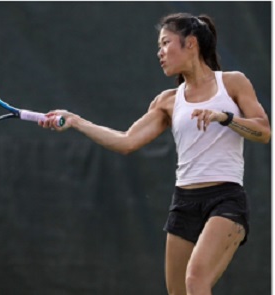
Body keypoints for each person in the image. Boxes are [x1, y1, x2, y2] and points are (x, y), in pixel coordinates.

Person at [39, 12, 271, 295]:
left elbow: (264, 131)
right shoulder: (167, 102)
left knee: (195, 280)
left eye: (165, 43)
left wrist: (224, 117)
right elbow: (126, 141)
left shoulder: (233, 83)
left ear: (191, 44)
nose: (159, 52)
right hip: (184, 203)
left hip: (226, 200)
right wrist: (76, 121)